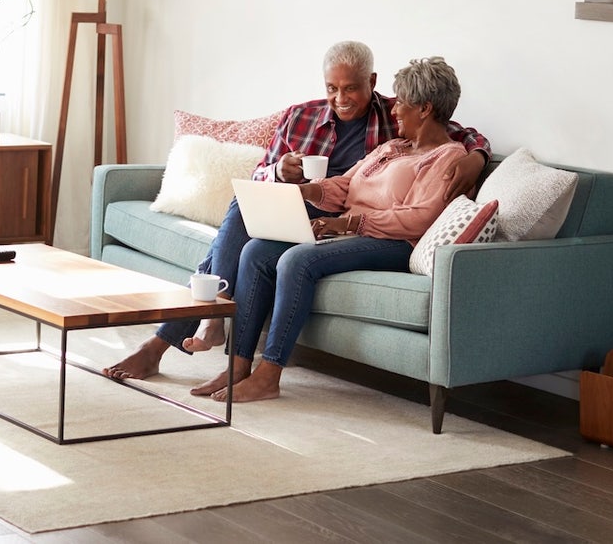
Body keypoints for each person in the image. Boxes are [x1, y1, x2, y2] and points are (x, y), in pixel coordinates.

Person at [102, 41, 490, 381]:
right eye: (332, 88)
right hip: (310, 202)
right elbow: (280, 176)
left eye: (352, 88)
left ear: (372, 83)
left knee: (277, 253)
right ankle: (215, 328)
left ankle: (194, 330)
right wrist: (283, 176)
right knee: (245, 208)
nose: (341, 98)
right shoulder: (313, 120)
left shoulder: (399, 121)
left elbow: (449, 131)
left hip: (348, 221)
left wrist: (477, 156)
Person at [192, 55, 469, 402]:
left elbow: (420, 217)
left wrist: (349, 222)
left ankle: (269, 374)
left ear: (425, 109)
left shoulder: (448, 157)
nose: (395, 110)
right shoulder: (392, 148)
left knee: (297, 260)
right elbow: (346, 185)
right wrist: (305, 191)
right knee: (257, 250)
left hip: (395, 242)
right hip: (352, 232)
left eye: (402, 104)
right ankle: (237, 365)